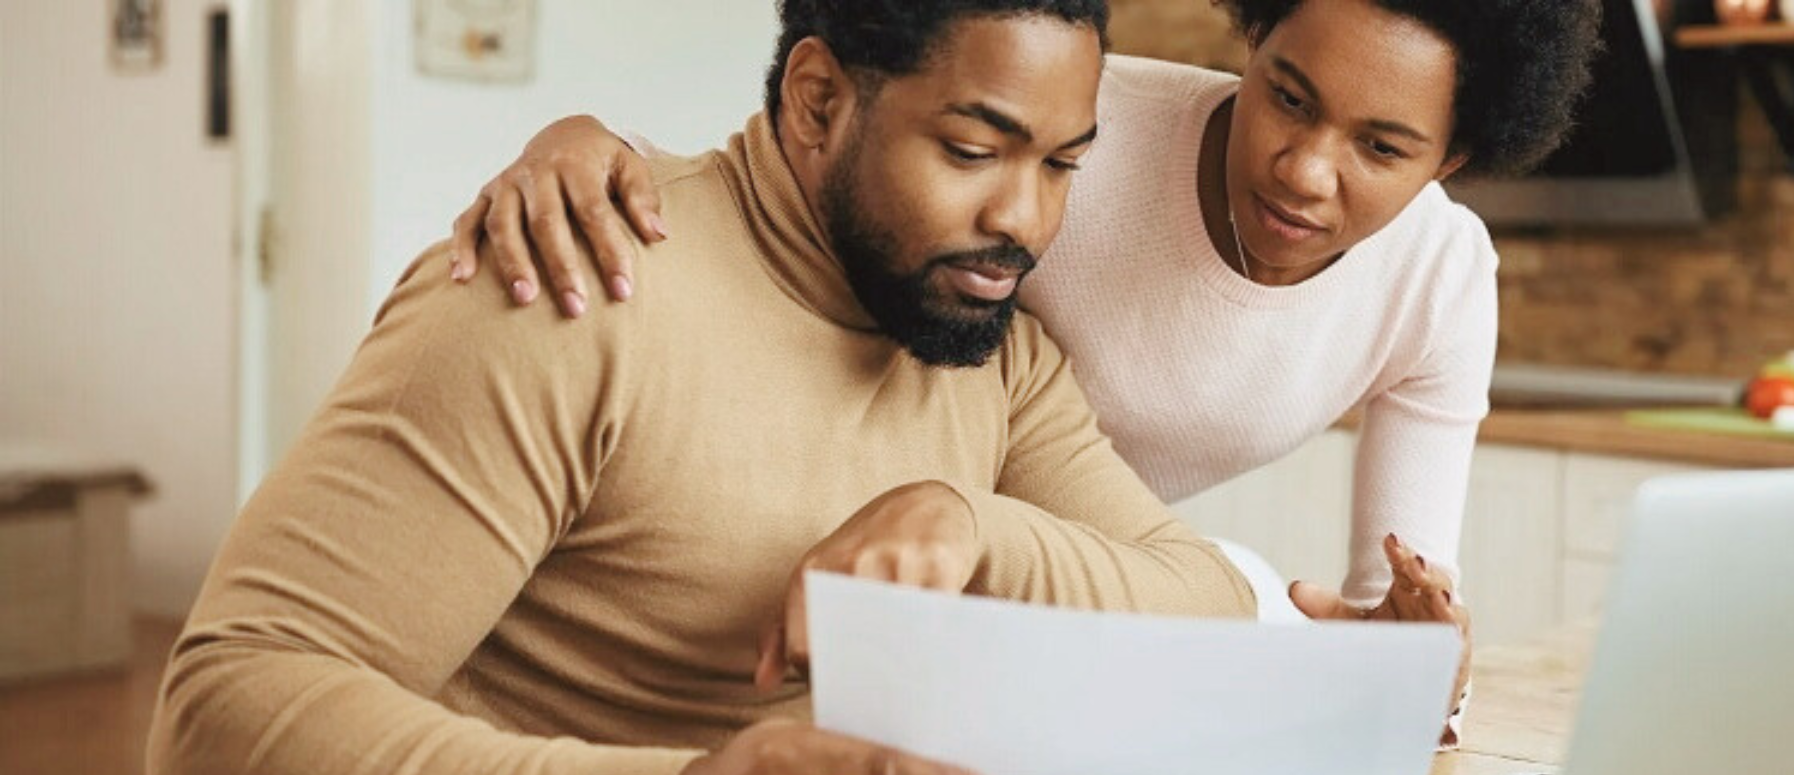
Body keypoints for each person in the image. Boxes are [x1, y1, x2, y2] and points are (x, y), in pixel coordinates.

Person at [145, 3, 1468, 773]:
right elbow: (224, 701)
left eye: (1066, 164)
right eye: (973, 147)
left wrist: (969, 521)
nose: (1025, 219)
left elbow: (1192, 590)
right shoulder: (565, 283)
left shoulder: (989, 347)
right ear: (821, 98)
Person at [448, 1, 1600, 717]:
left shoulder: (1440, 282)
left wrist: (1417, 669)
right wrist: (589, 142)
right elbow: (815, 175)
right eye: (1286, 96)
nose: (1303, 168)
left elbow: (1379, 628)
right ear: (1250, 42)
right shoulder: (1085, 136)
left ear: (1452, 162)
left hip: (1085, 596)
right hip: (854, 554)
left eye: (1381, 146)